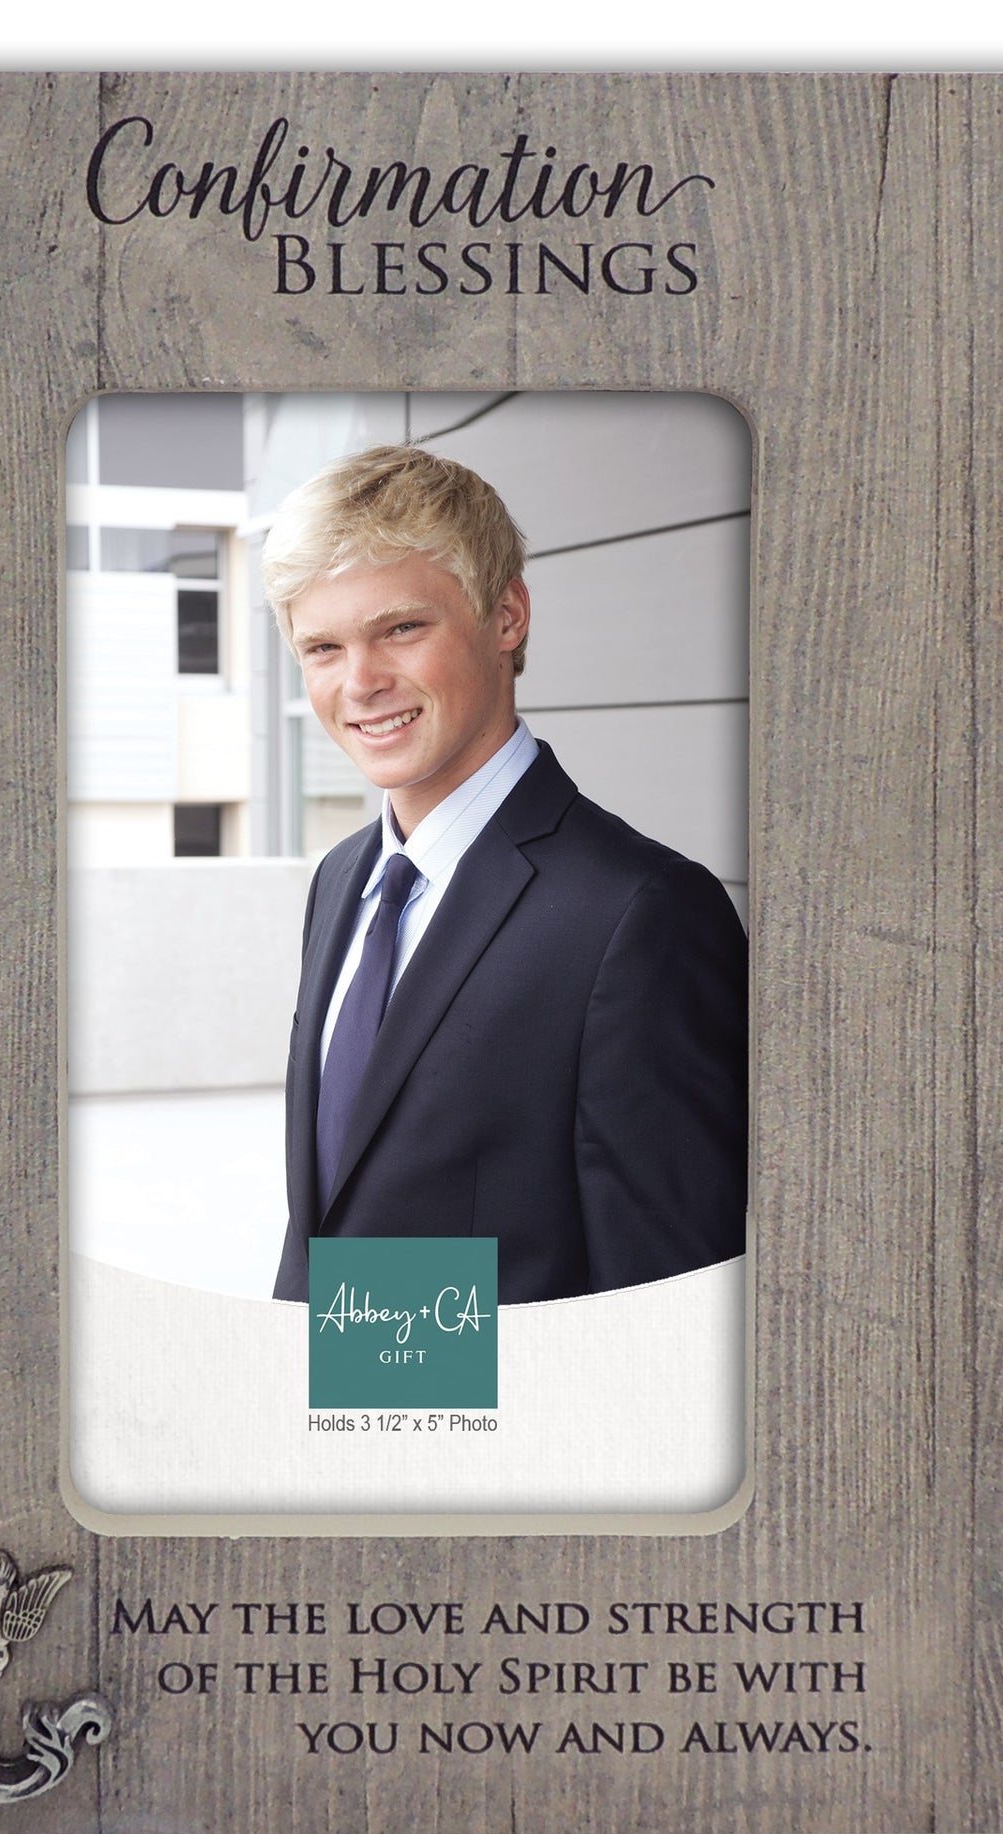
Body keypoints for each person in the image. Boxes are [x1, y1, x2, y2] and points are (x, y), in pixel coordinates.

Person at [264, 443, 747, 1306]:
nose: (361, 683)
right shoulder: (342, 880)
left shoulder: (642, 915)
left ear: (506, 616)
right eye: (323, 648)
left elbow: (666, 1306)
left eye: (401, 628)